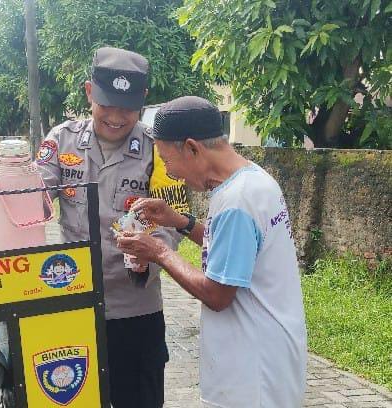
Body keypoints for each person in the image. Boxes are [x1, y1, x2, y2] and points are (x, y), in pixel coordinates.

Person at [0, 47, 184, 407]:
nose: (116, 117)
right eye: (107, 104)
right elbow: (36, 199)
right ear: (89, 92)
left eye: (128, 108)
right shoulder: (62, 140)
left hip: (135, 309)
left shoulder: (159, 149)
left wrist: (151, 253)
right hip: (73, 302)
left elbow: (172, 221)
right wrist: (4, 192)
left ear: (142, 100)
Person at [117, 96, 308, 407]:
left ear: (192, 148)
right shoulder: (254, 180)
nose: (171, 173)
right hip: (269, 359)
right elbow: (233, 248)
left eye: (167, 160)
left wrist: (159, 251)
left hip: (250, 376)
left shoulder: (236, 202)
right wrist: (179, 221)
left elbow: (217, 294)